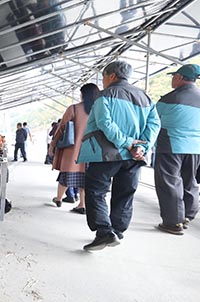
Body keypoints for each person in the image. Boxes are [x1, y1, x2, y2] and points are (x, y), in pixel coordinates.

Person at [77, 60, 160, 251]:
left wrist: (127, 142)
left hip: (106, 154)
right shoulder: (146, 98)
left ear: (112, 76)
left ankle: (105, 232)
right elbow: (154, 125)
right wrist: (141, 147)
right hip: (133, 157)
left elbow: (105, 123)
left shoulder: (104, 95)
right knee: (125, 193)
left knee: (96, 190)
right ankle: (117, 231)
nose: (103, 81)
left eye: (104, 77)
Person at [154, 64, 200, 235]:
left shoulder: (169, 99)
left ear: (180, 78)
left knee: (169, 183)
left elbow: (153, 121)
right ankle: (187, 215)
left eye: (174, 76)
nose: (172, 79)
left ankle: (173, 223)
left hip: (171, 145)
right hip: (196, 148)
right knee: (190, 182)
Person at [48, 83, 100, 214]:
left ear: (83, 95)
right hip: (93, 151)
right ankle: (82, 204)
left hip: (73, 150)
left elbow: (61, 128)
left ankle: (59, 198)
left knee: (66, 175)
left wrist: (53, 144)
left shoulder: (74, 109)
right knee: (85, 179)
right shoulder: (101, 109)